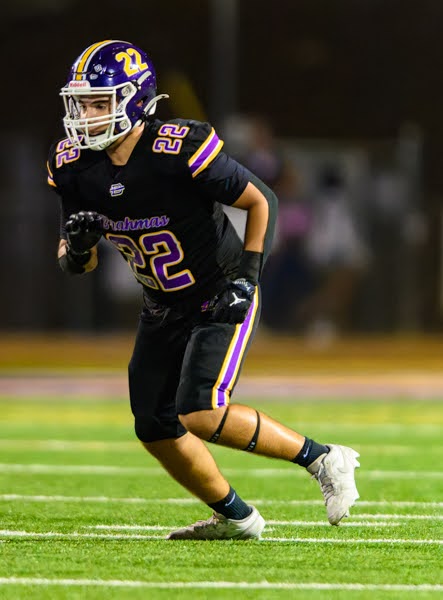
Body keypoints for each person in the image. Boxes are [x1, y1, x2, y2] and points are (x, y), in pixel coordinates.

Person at [47, 39, 360, 540]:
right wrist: (81, 247)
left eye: (99, 103)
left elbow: (261, 201)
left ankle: (323, 458)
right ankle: (236, 517)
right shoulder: (73, 165)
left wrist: (247, 279)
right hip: (161, 304)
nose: (86, 115)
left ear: (135, 101)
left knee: (201, 410)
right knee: (154, 425)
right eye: (81, 104)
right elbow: (73, 263)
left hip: (219, 290)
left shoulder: (176, 149)